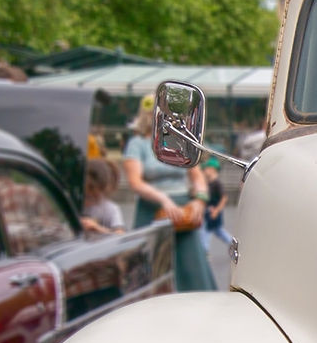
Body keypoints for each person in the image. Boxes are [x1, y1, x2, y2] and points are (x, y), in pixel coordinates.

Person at [123, 93, 216, 291]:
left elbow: (197, 177)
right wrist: (163, 199)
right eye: (154, 113)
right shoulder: (137, 144)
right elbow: (135, 182)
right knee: (149, 275)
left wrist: (199, 200)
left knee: (192, 273)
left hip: (183, 214)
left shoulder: (178, 141)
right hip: (152, 212)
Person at [80, 159, 126, 235]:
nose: (87, 202)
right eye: (85, 196)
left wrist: (97, 228)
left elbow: (120, 234)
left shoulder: (111, 209)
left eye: (93, 198)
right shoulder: (73, 205)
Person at [201, 157, 235, 249]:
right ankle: (232, 243)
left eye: (206, 168)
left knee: (206, 231)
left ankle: (204, 251)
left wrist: (216, 210)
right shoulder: (208, 183)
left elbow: (224, 198)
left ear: (212, 169)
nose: (204, 171)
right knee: (218, 231)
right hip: (208, 212)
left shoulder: (217, 184)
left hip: (213, 212)